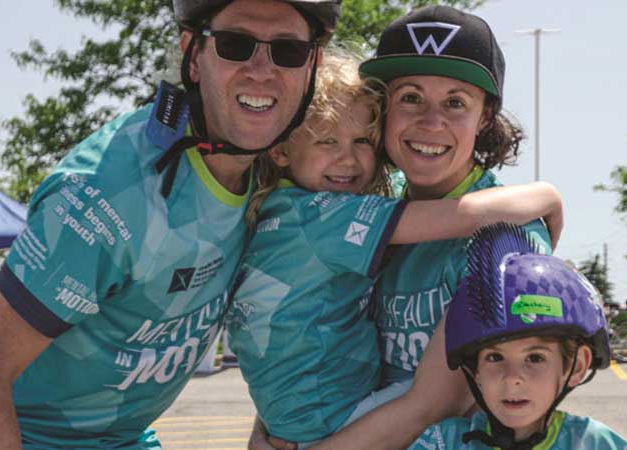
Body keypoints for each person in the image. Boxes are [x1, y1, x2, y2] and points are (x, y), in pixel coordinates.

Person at [0, 1, 342, 449]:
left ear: (312, 65)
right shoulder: (107, 194)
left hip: (119, 438)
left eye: (288, 51)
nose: (261, 70)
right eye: (236, 45)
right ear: (193, 57)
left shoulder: (278, 172)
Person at [235, 48, 563, 448]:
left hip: (317, 420)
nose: (348, 158)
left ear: (485, 117)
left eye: (361, 140)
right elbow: (458, 216)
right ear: (281, 149)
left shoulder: (288, 210)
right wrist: (547, 195)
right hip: (336, 419)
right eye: (410, 97)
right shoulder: (336, 215)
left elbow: (437, 401)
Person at [409, 222, 627, 450]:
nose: (512, 378)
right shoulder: (444, 442)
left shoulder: (593, 444)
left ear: (576, 367)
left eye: (535, 358)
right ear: (475, 371)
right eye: (495, 358)